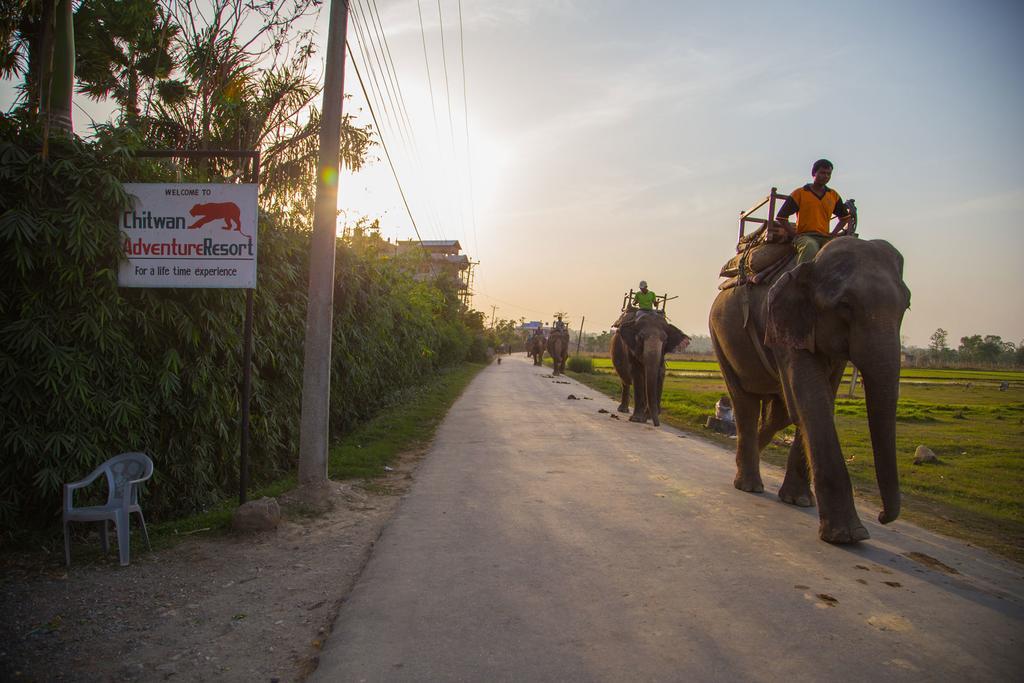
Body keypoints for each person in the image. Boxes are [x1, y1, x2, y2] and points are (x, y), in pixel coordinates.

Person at [773, 159, 851, 263]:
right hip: (805, 236)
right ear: (814, 173)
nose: (826, 176)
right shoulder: (800, 193)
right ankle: (801, 277)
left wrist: (833, 234)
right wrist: (795, 235)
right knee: (810, 247)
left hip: (825, 237)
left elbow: (844, 218)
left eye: (829, 174)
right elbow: (781, 217)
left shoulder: (833, 195)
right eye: (822, 173)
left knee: (839, 252)